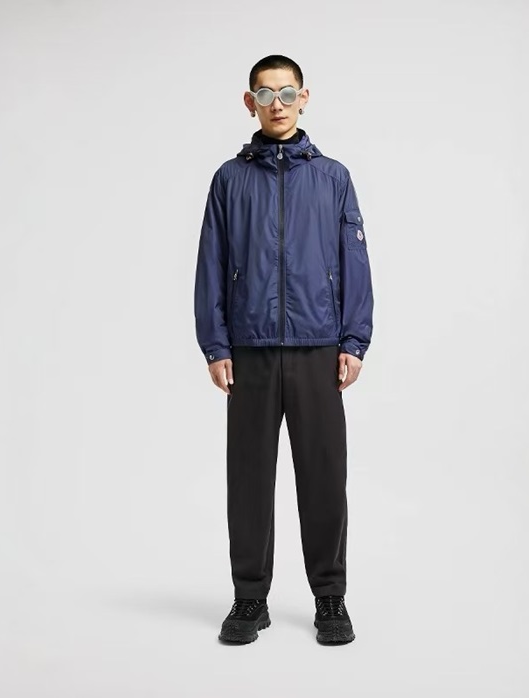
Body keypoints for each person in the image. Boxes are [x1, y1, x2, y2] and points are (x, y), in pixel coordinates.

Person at [193, 54, 374, 645]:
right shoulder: (229, 179)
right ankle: (250, 597)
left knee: (324, 476)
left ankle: (330, 597)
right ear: (250, 103)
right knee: (248, 478)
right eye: (266, 94)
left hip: (318, 346)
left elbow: (354, 262)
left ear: (304, 98)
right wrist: (215, 343)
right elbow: (211, 263)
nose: (278, 103)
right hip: (248, 351)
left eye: (287, 92)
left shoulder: (333, 177)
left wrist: (354, 340)